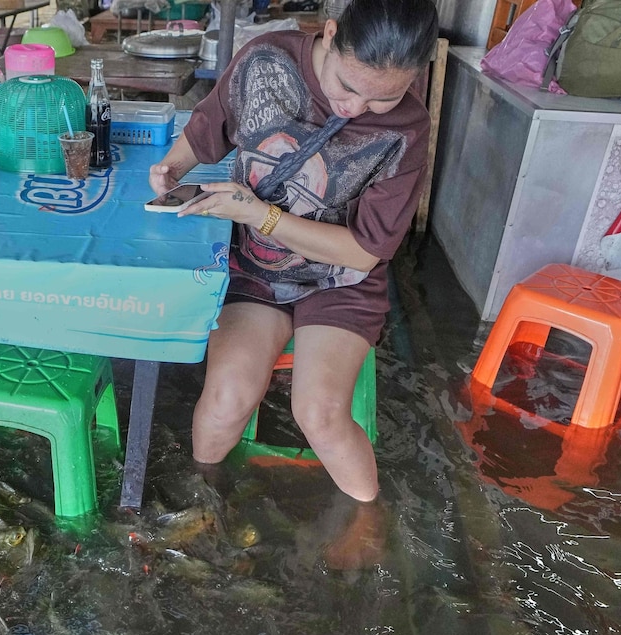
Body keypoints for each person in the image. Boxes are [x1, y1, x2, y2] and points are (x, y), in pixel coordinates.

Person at [148, 0, 436, 566]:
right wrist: (173, 169)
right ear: (330, 36)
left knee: (320, 412)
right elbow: (211, 125)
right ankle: (204, 498)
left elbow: (366, 249)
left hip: (341, 280)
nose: (357, 109)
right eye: (348, 87)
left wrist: (261, 215)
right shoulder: (266, 62)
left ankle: (367, 525)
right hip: (256, 268)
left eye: (384, 97)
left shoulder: (406, 132)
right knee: (227, 397)